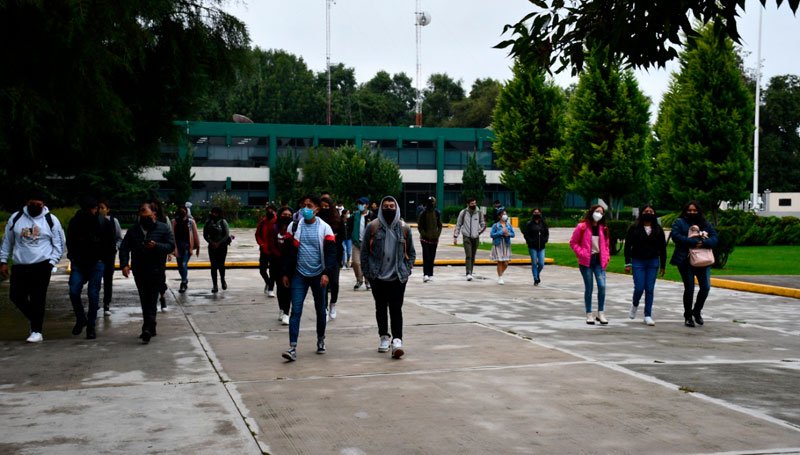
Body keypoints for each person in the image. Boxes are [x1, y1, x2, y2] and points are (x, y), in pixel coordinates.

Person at [0, 192, 65, 343]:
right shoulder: (16, 218)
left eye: (39, 205)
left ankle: (37, 330)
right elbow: (7, 241)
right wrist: (3, 261)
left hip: (42, 265)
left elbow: (59, 244)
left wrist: (51, 262)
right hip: (20, 265)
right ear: (27, 202)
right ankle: (35, 318)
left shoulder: (51, 220)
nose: (35, 207)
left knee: (38, 298)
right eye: (32, 204)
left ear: (43, 204)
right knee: (15, 296)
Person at [279, 195, 337, 362]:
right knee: (295, 310)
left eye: (309, 205)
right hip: (299, 274)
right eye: (303, 205)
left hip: (319, 276)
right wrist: (285, 273)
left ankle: (320, 339)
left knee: (320, 310)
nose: (305, 208)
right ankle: (292, 347)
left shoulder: (325, 228)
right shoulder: (294, 226)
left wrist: (326, 273)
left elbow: (331, 253)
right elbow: (287, 252)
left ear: (317, 209)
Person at [361, 196, 416, 359]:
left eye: (392, 206)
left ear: (397, 208)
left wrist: (407, 270)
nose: (389, 208)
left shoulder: (404, 228)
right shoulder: (373, 227)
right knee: (380, 307)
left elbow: (411, 252)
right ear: (380, 208)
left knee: (396, 309)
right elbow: (364, 252)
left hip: (398, 277)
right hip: (377, 276)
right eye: (386, 206)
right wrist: (368, 273)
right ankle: (384, 336)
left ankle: (397, 340)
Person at [119, 202, 175, 344]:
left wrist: (156, 246)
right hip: (139, 270)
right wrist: (124, 264)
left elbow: (171, 246)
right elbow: (124, 248)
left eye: (146, 212)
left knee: (151, 298)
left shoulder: (163, 228)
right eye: (141, 212)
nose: (144, 216)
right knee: (144, 298)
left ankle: (147, 328)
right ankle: (151, 324)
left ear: (153, 214)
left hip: (156, 270)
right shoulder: (133, 231)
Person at [66, 196, 116, 340]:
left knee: (92, 294)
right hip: (79, 263)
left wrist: (104, 260)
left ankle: (91, 326)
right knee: (74, 291)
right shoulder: (75, 222)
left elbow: (110, 244)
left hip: (96, 263)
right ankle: (82, 318)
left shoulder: (103, 223)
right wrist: (73, 257)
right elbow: (70, 241)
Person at [670, 201, 719, 327]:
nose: (692, 212)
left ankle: (696, 311)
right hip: (685, 260)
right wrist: (692, 241)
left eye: (694, 210)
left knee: (706, 287)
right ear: (685, 211)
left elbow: (714, 238)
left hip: (702, 260)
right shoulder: (679, 222)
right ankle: (688, 316)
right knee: (690, 288)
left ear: (699, 211)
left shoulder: (705, 223)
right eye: (689, 210)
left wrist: (704, 243)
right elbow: (675, 236)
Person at [623, 205, 667, 326]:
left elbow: (663, 248)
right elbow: (627, 247)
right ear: (641, 213)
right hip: (638, 261)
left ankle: (647, 315)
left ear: (654, 213)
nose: (648, 213)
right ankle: (635, 304)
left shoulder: (658, 229)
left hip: (653, 261)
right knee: (639, 288)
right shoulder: (634, 228)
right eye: (646, 211)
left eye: (651, 211)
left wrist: (663, 265)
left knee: (649, 289)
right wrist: (627, 263)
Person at [570, 205, 611, 325]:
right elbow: (573, 242)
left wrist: (607, 257)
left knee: (602, 286)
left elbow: (607, 246)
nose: (599, 214)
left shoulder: (603, 228)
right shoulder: (582, 227)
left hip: (599, 261)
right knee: (589, 288)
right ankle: (589, 313)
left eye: (601, 212)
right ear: (592, 212)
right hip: (586, 261)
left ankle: (601, 312)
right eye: (597, 211)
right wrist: (581, 253)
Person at [319, 196, 344, 320]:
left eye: (326, 206)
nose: (324, 209)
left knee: (334, 282)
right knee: (324, 283)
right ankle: (324, 307)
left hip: (334, 256)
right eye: (322, 207)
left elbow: (343, 236)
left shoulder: (337, 221)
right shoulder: (317, 222)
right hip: (320, 256)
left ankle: (333, 302)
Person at [98, 199, 122, 315]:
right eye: (99, 208)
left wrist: (116, 247)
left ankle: (106, 303)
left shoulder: (113, 221)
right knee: (96, 279)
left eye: (103, 208)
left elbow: (119, 237)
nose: (100, 210)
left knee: (108, 280)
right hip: (97, 255)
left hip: (109, 254)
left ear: (107, 209)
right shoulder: (94, 220)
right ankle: (95, 302)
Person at [453, 197, 486, 281]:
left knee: (473, 256)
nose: (473, 205)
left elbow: (483, 224)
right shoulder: (463, 213)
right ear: (468, 204)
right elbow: (458, 225)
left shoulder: (479, 213)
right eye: (472, 203)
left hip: (476, 238)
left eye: (475, 203)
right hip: (466, 237)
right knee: (468, 255)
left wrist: (478, 232)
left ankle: (471, 271)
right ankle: (468, 273)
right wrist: (455, 236)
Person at [271, 206, 294, 325]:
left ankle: (286, 312)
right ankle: (281, 308)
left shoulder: (294, 229)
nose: (287, 217)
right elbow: (271, 244)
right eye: (284, 214)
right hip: (276, 262)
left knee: (288, 288)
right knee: (280, 288)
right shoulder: (274, 228)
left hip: (289, 263)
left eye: (289, 215)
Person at [149, 198, 172, 310]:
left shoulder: (164, 219)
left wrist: (169, 252)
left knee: (160, 275)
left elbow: (170, 237)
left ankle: (162, 296)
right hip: (147, 252)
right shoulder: (143, 219)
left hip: (160, 251)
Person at [171, 206, 200, 293]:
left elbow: (195, 235)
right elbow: (172, 236)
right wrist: (174, 249)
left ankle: (183, 283)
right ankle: (185, 279)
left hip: (187, 246)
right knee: (180, 266)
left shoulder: (191, 222)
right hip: (178, 246)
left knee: (183, 264)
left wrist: (197, 246)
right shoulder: (174, 222)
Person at [347, 196, 373, 290]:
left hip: (368, 244)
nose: (360, 206)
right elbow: (349, 227)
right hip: (356, 242)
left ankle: (368, 281)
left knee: (367, 263)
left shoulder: (371, 216)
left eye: (362, 204)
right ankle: (359, 280)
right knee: (355, 262)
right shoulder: (355, 215)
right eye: (358, 204)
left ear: (367, 205)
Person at [203, 207, 231, 293]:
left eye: (215, 213)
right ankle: (215, 285)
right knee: (213, 266)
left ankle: (223, 280)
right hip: (212, 246)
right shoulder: (208, 222)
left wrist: (219, 243)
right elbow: (205, 234)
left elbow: (226, 234)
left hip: (222, 246)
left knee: (221, 265)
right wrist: (211, 242)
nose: (213, 214)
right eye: (212, 212)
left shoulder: (223, 222)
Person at [417, 196, 442, 282]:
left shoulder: (437, 213)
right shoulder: (423, 213)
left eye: (433, 202)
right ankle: (426, 274)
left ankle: (431, 274)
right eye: (431, 202)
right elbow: (419, 226)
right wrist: (424, 234)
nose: (432, 204)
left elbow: (440, 225)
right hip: (425, 239)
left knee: (432, 257)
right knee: (426, 256)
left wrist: (437, 234)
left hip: (434, 239)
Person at [523, 208, 549, 286]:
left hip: (541, 246)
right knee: (534, 263)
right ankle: (535, 278)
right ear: (532, 213)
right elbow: (526, 234)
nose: (536, 213)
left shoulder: (543, 223)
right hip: (532, 247)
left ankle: (537, 274)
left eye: (538, 212)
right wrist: (530, 241)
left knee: (541, 263)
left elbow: (547, 233)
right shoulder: (529, 224)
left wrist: (545, 240)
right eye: (535, 212)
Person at [256, 204, 278, 297]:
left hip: (274, 250)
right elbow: (257, 234)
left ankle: (271, 288)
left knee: (273, 271)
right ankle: (268, 282)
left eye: (271, 210)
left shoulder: (278, 222)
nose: (269, 212)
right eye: (268, 210)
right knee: (262, 270)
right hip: (264, 249)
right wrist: (261, 243)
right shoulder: (262, 222)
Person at [490, 209, 515, 284]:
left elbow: (513, 234)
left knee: (506, 262)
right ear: (499, 216)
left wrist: (508, 234)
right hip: (498, 244)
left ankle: (500, 274)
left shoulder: (509, 225)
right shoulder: (496, 225)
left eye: (506, 214)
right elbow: (492, 235)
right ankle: (500, 277)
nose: (505, 216)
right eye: (503, 214)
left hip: (506, 244)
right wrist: (501, 232)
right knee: (500, 261)